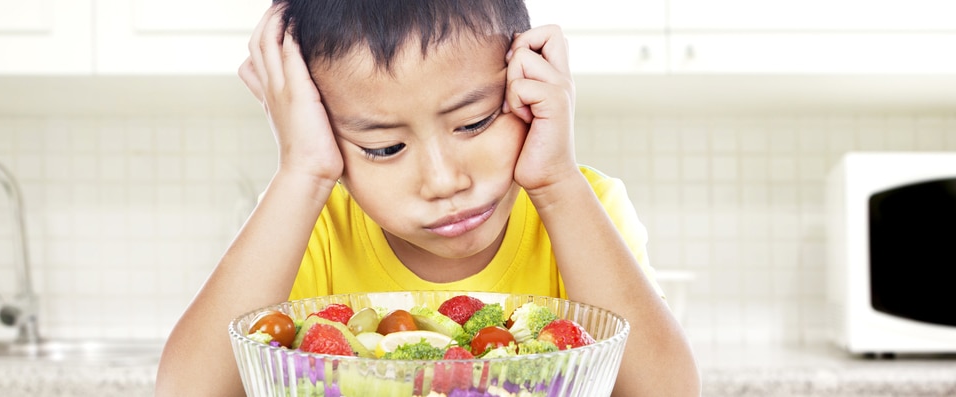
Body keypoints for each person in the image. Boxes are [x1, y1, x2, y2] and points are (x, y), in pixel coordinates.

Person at [156, 1, 700, 396]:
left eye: (474, 121)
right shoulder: (314, 228)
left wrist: (557, 185)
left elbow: (667, 391)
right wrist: (302, 170)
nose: (443, 181)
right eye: (384, 146)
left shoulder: (584, 204)